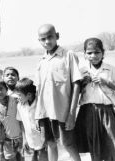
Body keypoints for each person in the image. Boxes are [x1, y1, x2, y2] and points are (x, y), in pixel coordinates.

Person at [75, 38, 115, 161]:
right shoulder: (81, 71)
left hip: (107, 112)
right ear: (84, 54)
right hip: (87, 113)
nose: (93, 56)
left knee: (112, 145)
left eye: (97, 52)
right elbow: (73, 93)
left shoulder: (112, 70)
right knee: (94, 147)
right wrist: (82, 83)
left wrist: (107, 82)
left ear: (103, 53)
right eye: (89, 53)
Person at [35, 24, 81, 161]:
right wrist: (38, 114)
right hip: (45, 112)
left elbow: (77, 83)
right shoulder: (41, 62)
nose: (47, 41)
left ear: (57, 36)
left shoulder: (68, 55)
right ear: (39, 41)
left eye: (50, 37)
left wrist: (72, 114)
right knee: (50, 143)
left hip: (63, 111)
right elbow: (39, 90)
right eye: (43, 39)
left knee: (68, 144)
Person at [15, 78, 47, 161]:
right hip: (30, 141)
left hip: (42, 140)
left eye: (19, 95)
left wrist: (44, 139)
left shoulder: (39, 104)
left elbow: (44, 121)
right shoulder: (20, 106)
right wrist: (24, 139)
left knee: (43, 158)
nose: (17, 97)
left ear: (29, 94)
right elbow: (22, 123)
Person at [0, 78, 22, 161]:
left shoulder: (16, 100)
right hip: (7, 141)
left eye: (1, 88)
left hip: (21, 138)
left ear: (6, 89)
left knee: (24, 158)